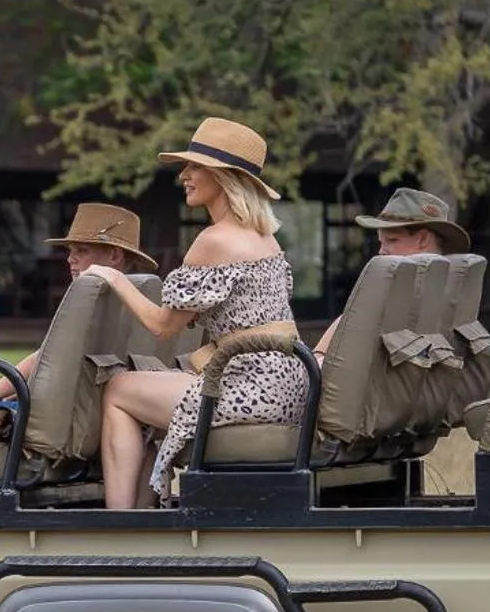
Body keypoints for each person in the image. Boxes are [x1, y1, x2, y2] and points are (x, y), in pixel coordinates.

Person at [84, 118, 307, 509]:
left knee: (119, 391)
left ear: (223, 178)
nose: (184, 175)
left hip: (252, 388)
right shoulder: (263, 236)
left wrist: (114, 277)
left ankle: (118, 521)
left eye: (195, 167)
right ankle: (143, 516)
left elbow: (161, 327)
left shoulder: (213, 240)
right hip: (288, 383)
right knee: (150, 390)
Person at [0, 202, 157, 436]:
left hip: (56, 420)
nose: (70, 259)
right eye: (70, 251)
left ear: (115, 255)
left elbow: (44, 358)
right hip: (88, 418)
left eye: (82, 251)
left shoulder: (92, 304)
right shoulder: (141, 306)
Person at [313, 188, 469, 354]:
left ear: (422, 239)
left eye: (392, 240)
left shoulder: (398, 300)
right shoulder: (453, 292)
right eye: (381, 242)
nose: (381, 251)